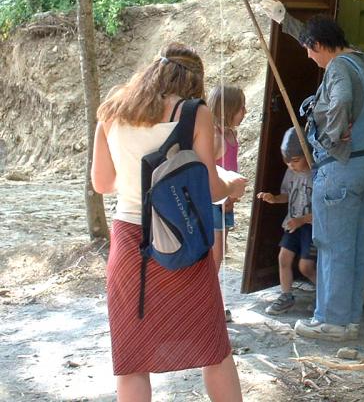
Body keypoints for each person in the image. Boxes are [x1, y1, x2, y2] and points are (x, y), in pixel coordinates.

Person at [91, 43, 247, 402]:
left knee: (132, 362)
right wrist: (232, 185)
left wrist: (137, 181)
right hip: (184, 241)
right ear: (194, 81)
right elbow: (209, 188)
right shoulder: (194, 112)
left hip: (129, 243)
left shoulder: (111, 110)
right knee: (214, 349)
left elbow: (102, 184)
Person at [262, 0, 364, 342]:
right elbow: (313, 38)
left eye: (310, 50)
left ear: (320, 46)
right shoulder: (363, 61)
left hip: (341, 168)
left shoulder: (338, 68)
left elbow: (341, 100)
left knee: (331, 246)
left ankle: (331, 321)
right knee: (356, 246)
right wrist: (285, 19)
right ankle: (349, 320)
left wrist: (329, 134)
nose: (309, 57)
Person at [256, 127, 316, 315]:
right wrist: (274, 198)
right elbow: (287, 195)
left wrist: (302, 220)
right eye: (287, 162)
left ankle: (324, 295)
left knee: (306, 267)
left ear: (308, 154)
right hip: (292, 224)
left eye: (296, 161)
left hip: (310, 227)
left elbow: (322, 212)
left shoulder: (317, 175)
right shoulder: (290, 172)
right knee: (283, 258)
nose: (291, 165)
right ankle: (286, 295)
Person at [207, 84, 246, 272]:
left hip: (227, 198)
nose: (245, 112)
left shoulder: (231, 133)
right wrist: (223, 196)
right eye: (241, 108)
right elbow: (209, 170)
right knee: (216, 252)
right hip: (215, 200)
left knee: (221, 248)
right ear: (228, 109)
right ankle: (208, 294)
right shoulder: (215, 136)